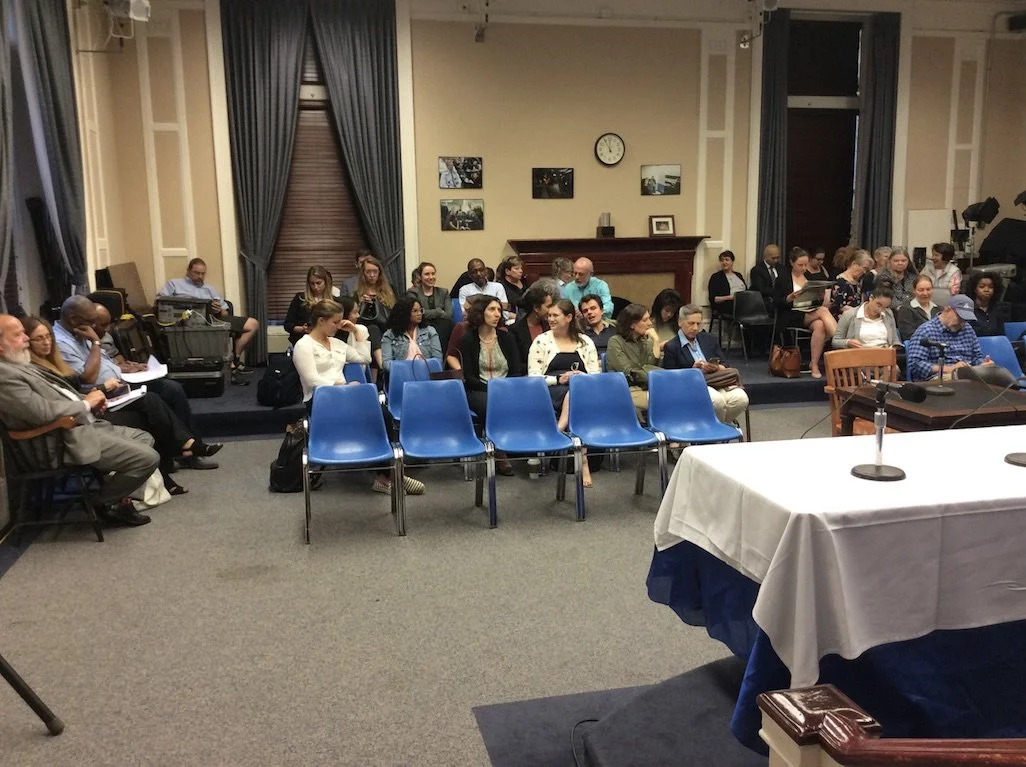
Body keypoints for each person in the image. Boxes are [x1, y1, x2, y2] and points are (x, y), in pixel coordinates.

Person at [25, 315, 220, 497]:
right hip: (78, 422)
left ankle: (173, 464)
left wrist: (101, 390)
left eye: (47, 337)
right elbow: (80, 383)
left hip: (94, 404)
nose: (46, 342)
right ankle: (184, 450)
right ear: (27, 342)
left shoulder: (54, 361)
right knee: (147, 412)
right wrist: (98, 387)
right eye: (39, 339)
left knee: (156, 399)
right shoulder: (38, 369)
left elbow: (74, 387)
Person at [0, 313, 159, 527]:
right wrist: (85, 404)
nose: (26, 339)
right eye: (18, 335)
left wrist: (90, 399)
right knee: (148, 458)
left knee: (144, 437)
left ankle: (119, 500)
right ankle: (100, 503)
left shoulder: (19, 364)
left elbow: (60, 394)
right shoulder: (5, 376)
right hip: (59, 440)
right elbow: (41, 411)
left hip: (80, 425)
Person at [54, 297, 220, 471]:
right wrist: (96, 343)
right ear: (73, 318)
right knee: (152, 400)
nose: (95, 326)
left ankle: (190, 450)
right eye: (91, 321)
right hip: (102, 395)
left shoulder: (79, 331)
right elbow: (87, 377)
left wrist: (125, 367)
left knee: (172, 389)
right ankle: (186, 447)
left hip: (120, 383)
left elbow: (102, 362)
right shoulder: (62, 342)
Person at [293, 300, 421, 495]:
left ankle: (385, 476)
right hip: (320, 402)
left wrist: (356, 332)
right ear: (321, 321)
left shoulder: (337, 344)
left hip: (346, 399)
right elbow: (312, 379)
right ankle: (390, 476)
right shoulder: (304, 345)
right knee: (370, 415)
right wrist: (342, 386)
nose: (339, 326)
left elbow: (365, 358)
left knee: (383, 415)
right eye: (335, 322)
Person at [527, 299, 601, 486]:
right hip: (549, 390)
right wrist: (559, 379)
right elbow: (534, 377)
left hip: (582, 388)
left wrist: (581, 376)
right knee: (574, 393)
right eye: (549, 315)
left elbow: (595, 374)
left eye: (555, 315)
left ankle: (557, 430)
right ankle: (583, 461)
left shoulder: (585, 341)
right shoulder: (541, 341)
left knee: (576, 391)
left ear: (569, 317)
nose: (550, 319)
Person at [157, 257, 258, 375]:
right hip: (183, 320)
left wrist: (218, 310)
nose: (200, 276)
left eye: (202, 274)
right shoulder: (174, 284)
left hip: (212, 318)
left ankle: (235, 358)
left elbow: (225, 311)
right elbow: (161, 301)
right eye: (196, 273)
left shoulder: (209, 289)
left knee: (253, 324)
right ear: (189, 271)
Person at [458, 296, 521, 475]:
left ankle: (517, 443)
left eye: (499, 310)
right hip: (478, 389)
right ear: (480, 313)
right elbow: (469, 377)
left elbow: (516, 370)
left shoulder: (506, 338)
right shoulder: (468, 340)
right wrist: (492, 390)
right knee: (489, 405)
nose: (497, 314)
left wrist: (503, 389)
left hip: (506, 387)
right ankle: (501, 452)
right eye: (492, 310)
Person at [662, 304, 750, 424]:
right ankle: (716, 431)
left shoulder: (708, 339)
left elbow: (725, 364)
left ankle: (717, 428)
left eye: (698, 324)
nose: (695, 328)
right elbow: (670, 378)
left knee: (741, 398)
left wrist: (717, 367)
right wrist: (692, 370)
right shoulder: (672, 346)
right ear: (680, 322)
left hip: (717, 379)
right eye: (691, 323)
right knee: (717, 401)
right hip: (692, 385)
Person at [774, 247, 838, 379]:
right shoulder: (783, 278)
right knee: (823, 311)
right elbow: (775, 303)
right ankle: (839, 341)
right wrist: (789, 298)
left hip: (809, 311)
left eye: (805, 265)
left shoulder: (808, 277)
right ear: (792, 263)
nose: (803, 268)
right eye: (800, 265)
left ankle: (813, 364)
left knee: (820, 325)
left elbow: (815, 301)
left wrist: (819, 296)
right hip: (790, 314)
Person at [907, 294, 990, 382]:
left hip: (968, 377)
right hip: (937, 379)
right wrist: (949, 369)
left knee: (999, 376)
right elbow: (915, 364)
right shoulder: (925, 331)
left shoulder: (968, 329)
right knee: (960, 379)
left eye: (966, 319)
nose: (962, 323)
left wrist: (983, 364)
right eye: (960, 317)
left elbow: (977, 357)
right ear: (947, 309)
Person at [605, 303, 663, 416]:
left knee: (676, 397)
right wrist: (656, 375)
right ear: (632, 324)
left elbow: (652, 365)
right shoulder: (615, 342)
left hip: (648, 388)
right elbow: (629, 372)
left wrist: (656, 341)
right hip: (625, 390)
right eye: (645, 320)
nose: (650, 323)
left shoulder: (645, 342)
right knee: (668, 400)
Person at [284, 265, 342, 347]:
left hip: (326, 344)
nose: (315, 287)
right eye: (312, 284)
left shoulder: (335, 302)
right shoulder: (300, 299)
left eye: (318, 283)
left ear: (325, 282)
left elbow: (339, 327)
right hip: (302, 343)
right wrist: (302, 329)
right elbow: (288, 325)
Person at [510, 279, 561, 368]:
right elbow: (516, 363)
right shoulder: (515, 331)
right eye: (548, 306)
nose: (551, 310)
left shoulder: (551, 327)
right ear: (536, 308)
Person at [380, 297, 442, 371]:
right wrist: (405, 369)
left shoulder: (430, 331)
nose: (419, 314)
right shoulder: (389, 335)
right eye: (415, 311)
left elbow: (438, 359)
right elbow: (386, 363)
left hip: (426, 372)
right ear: (404, 313)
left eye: (421, 310)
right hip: (401, 374)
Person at [832, 284, 901, 350]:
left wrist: (894, 347)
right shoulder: (849, 315)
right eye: (878, 305)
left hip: (884, 354)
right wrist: (848, 342)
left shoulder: (888, 314)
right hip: (859, 355)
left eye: (884, 307)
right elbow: (835, 342)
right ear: (871, 298)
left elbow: (895, 340)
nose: (880, 310)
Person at [406, 261, 453, 351]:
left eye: (433, 274)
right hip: (421, 325)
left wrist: (425, 311)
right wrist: (438, 311)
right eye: (427, 274)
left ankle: (442, 360)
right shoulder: (413, 293)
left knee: (447, 325)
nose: (431, 277)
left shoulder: (443, 292)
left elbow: (448, 315)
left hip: (442, 326)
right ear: (420, 276)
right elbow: (416, 314)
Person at [351, 255, 396, 336]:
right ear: (363, 273)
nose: (372, 275)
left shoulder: (390, 290)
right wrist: (361, 304)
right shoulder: (357, 293)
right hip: (365, 332)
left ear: (379, 273)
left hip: (386, 330)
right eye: (368, 272)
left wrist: (382, 304)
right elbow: (355, 319)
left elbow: (395, 313)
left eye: (375, 271)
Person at [896, 274, 941, 340]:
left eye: (928, 289)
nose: (925, 293)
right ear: (914, 291)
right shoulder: (906, 310)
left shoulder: (939, 309)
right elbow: (908, 335)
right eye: (921, 290)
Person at [963, 271, 1008, 338]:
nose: (986, 290)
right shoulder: (967, 309)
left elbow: (1001, 336)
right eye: (982, 287)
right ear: (975, 289)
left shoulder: (997, 310)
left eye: (991, 287)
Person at [830, 249, 873, 317]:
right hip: (844, 317)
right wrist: (861, 313)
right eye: (864, 268)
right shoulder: (840, 282)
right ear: (854, 264)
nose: (864, 272)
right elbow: (840, 306)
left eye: (866, 270)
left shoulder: (859, 282)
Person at [707, 250, 747, 314]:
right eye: (722, 260)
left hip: (743, 303)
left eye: (727, 260)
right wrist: (731, 297)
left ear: (732, 262)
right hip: (726, 305)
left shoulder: (738, 275)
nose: (724, 262)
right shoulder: (716, 277)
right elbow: (713, 299)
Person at [749, 244, 782, 313]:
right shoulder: (757, 270)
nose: (776, 260)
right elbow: (761, 289)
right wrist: (778, 293)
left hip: (781, 300)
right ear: (765, 256)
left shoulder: (782, 269)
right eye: (773, 258)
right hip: (764, 301)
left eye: (778, 257)